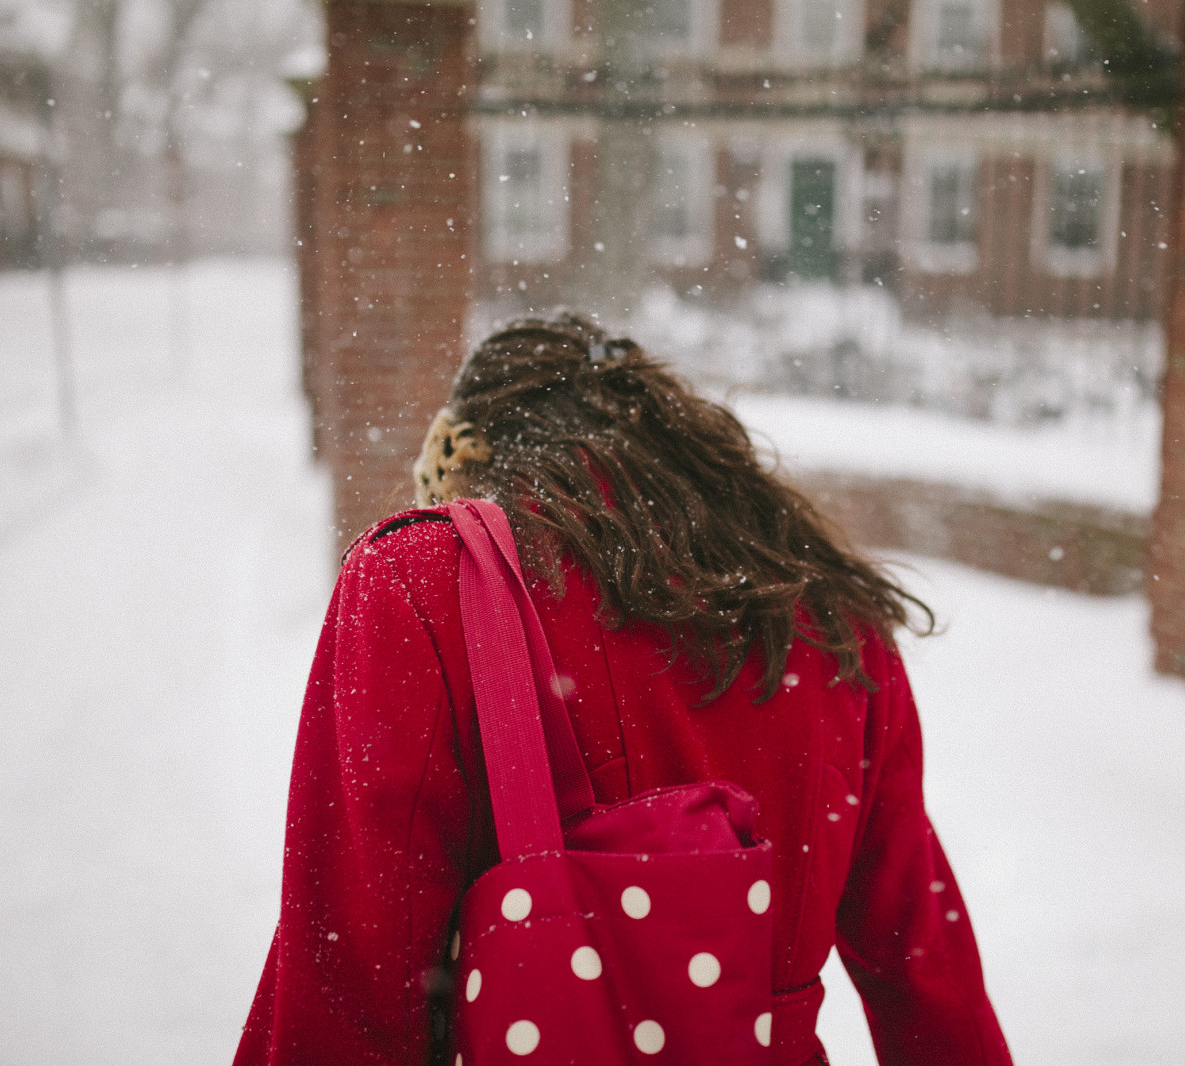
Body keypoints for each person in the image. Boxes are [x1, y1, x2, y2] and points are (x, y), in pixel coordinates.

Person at [234, 314, 1013, 1066]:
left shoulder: (425, 582)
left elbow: (352, 964)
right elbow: (926, 964)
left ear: (469, 453)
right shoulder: (835, 625)